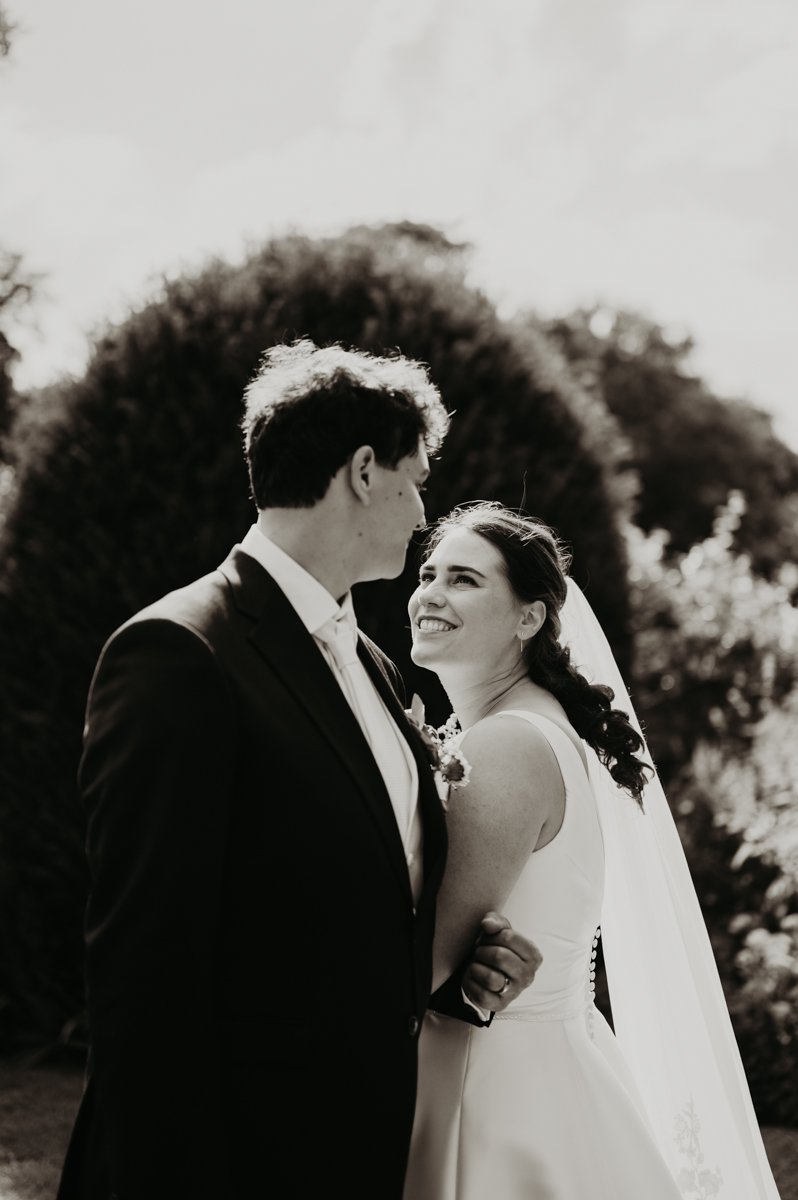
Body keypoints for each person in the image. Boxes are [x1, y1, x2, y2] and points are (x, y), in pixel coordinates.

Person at [55, 344, 542, 1200]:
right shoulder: (180, 652)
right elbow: (145, 972)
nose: (421, 511)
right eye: (416, 481)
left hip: (350, 1148)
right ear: (364, 470)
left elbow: (348, 901)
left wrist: (460, 979)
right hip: (231, 1162)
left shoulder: (375, 668)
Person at [403, 501, 782, 1200]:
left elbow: (424, 961)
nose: (430, 593)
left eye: (464, 579)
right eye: (428, 574)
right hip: (545, 1070)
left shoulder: (507, 745)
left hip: (495, 1092)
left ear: (529, 618)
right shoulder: (526, 728)